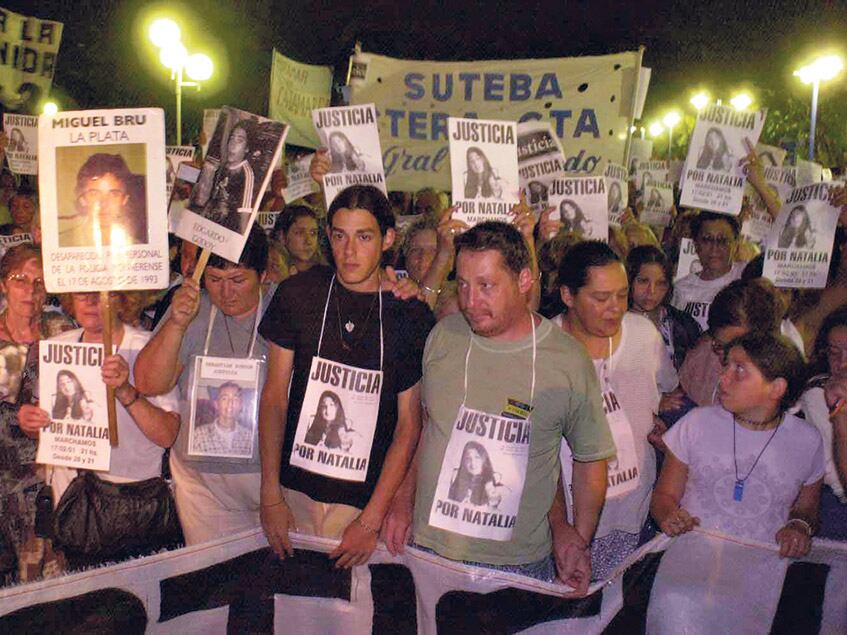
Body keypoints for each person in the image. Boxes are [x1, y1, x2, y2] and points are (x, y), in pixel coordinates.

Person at [385, 222, 614, 594]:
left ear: (524, 280)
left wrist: (576, 538)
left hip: (517, 565)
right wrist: (402, 498)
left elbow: (590, 459)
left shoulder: (567, 360)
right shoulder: (443, 336)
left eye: (486, 286)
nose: (470, 301)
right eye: (463, 284)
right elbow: (429, 428)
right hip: (429, 549)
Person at [258, 184, 433, 569]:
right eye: (340, 236)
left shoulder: (409, 315)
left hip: (364, 505)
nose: (349, 251)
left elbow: (409, 426)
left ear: (388, 239)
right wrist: (270, 493)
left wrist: (372, 518)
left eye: (364, 237)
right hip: (294, 492)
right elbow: (274, 398)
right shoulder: (298, 294)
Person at [19, 290, 182, 571]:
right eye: (82, 294)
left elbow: (167, 435)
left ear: (122, 298)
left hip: (135, 507)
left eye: (102, 294)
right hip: (74, 507)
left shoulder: (149, 348)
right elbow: (49, 426)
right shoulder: (59, 347)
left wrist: (125, 390)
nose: (91, 302)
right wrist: (31, 422)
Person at [134, 227, 272, 545]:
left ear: (263, 275)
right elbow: (148, 383)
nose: (226, 292)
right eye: (215, 279)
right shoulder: (192, 307)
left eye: (238, 280)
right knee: (215, 573)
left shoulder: (283, 306)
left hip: (268, 478)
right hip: (203, 485)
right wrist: (177, 323)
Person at [556, 240, 678, 580]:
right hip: (567, 521)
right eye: (600, 298)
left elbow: (669, 388)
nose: (615, 308)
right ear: (568, 295)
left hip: (635, 511)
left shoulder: (643, 335)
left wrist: (664, 420)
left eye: (622, 295)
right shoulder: (544, 347)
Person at [652, 332, 822, 554]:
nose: (723, 377)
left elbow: (807, 509)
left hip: (763, 565)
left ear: (776, 388)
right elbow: (664, 497)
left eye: (739, 370)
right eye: (726, 366)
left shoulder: (807, 440)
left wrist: (798, 526)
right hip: (689, 558)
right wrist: (669, 516)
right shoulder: (696, 424)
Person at [0, 245, 72, 585]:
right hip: (6, 481)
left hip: (53, 477)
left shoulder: (61, 330)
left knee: (54, 579)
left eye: (40, 282)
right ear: (3, 284)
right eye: (20, 279)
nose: (30, 290)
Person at [678, 278, 782, 407]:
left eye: (734, 346)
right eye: (719, 345)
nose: (725, 357)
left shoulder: (776, 375)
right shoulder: (701, 355)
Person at [799, 306, 847, 539]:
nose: (842, 363)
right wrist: (840, 411)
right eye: (834, 353)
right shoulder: (819, 394)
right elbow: (840, 485)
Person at [627, 245, 701, 370]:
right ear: (629, 280)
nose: (651, 291)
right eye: (643, 281)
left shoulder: (684, 325)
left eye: (661, 283)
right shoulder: (613, 323)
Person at [671, 211, 746, 331]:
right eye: (707, 239)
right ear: (696, 244)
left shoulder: (747, 276)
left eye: (722, 240)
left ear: (735, 244)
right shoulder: (681, 288)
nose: (714, 248)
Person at [59, 153, 147, 248]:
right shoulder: (61, 244)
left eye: (114, 194)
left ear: (124, 200)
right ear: (82, 199)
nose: (104, 204)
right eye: (94, 193)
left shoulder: (139, 249)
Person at [194, 119, 256, 234]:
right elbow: (210, 199)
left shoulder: (246, 173)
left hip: (226, 232)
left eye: (239, 141)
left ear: (247, 148)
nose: (232, 145)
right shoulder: (222, 167)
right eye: (232, 138)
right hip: (208, 225)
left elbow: (244, 213)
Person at [191, 382, 254, 457]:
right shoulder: (199, 435)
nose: (230, 403)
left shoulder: (249, 438)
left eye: (235, 399)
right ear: (216, 404)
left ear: (241, 405)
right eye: (224, 399)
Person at [271, 205, 323, 276]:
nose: (308, 241)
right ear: (282, 236)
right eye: (300, 233)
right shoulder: (271, 276)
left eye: (313, 233)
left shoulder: (327, 275)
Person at [447, 441, 502, 508]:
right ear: (463, 461)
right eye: (468, 458)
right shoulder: (455, 476)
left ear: (484, 459)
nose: (473, 463)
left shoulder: (494, 481)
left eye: (477, 457)